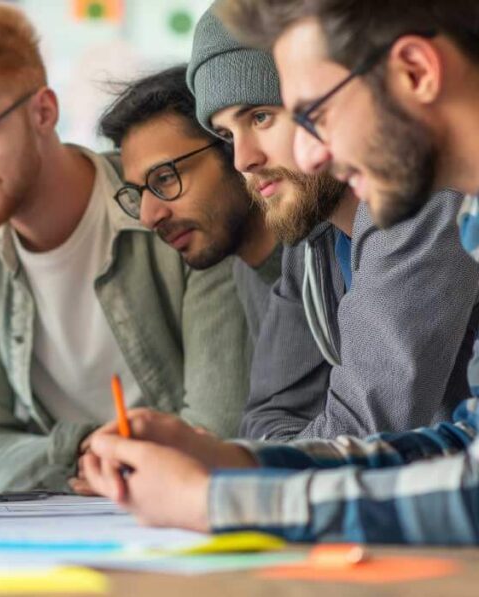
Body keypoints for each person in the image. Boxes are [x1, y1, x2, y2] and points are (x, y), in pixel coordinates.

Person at [81, 0, 479, 544]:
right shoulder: (456, 220)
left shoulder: (428, 205)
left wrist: (220, 499)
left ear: (416, 71)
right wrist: (234, 462)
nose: (312, 154)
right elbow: (459, 446)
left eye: (310, 113)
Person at [0, 2, 251, 493]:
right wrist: (85, 453)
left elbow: (217, 430)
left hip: (187, 507)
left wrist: (88, 461)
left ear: (43, 112)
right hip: (66, 518)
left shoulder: (171, 199)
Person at [189, 3, 479, 440]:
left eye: (265, 116)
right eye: (226, 135)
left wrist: (232, 479)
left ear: (416, 73)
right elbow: (456, 455)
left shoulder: (423, 196)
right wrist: (233, 470)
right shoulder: (311, 241)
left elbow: (368, 436)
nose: (242, 160)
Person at [98, 66, 280, 345]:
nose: (148, 217)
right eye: (137, 193)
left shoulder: (329, 264)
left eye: (166, 178)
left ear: (230, 146)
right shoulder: (247, 275)